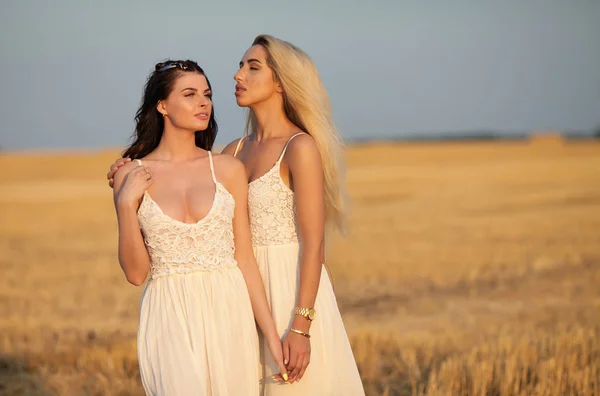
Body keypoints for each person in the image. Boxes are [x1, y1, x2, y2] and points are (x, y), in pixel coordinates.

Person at [111, 59, 287, 395]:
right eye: (189, 94)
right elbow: (136, 274)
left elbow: (245, 260)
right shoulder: (130, 175)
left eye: (206, 94)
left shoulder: (227, 169)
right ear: (162, 105)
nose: (203, 102)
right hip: (168, 312)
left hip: (227, 307)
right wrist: (124, 204)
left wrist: (271, 337)